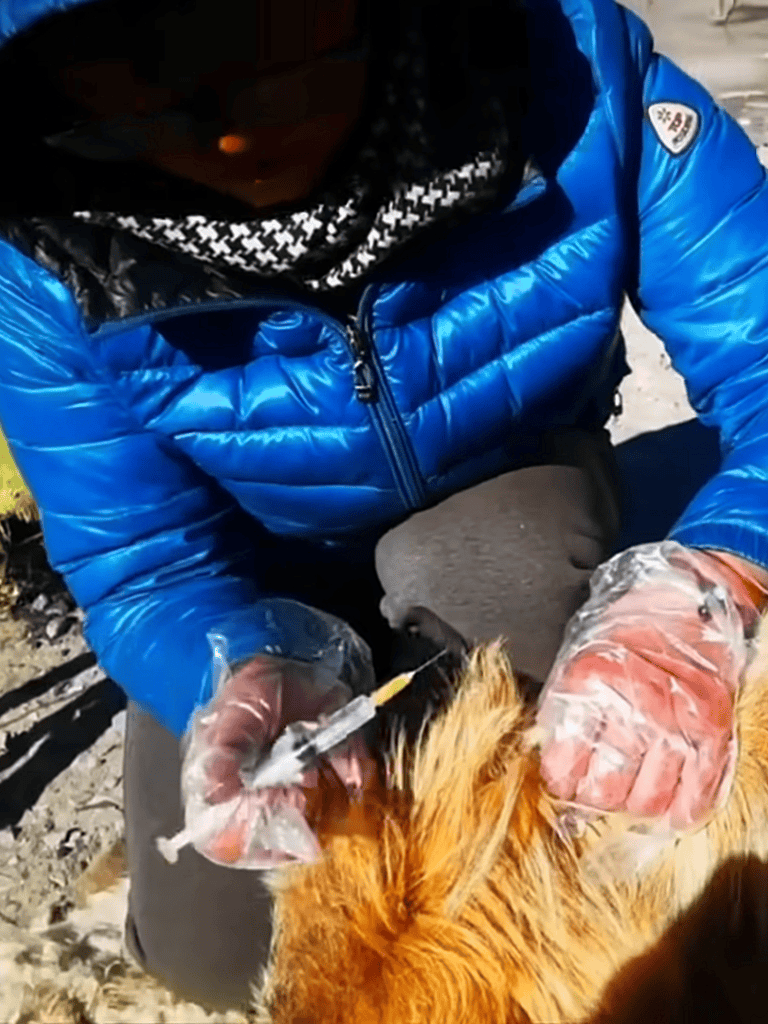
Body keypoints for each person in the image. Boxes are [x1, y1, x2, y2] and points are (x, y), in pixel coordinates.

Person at [0, 0, 767, 1010]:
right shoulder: (40, 245)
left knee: (521, 630)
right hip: (252, 577)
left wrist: (721, 568)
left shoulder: (570, 73)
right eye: (138, 89)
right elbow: (145, 564)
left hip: (506, 488)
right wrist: (234, 668)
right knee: (210, 950)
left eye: (269, 53)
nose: (229, 139)